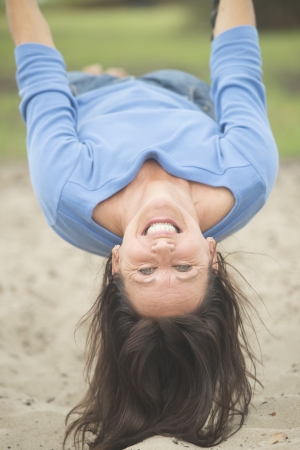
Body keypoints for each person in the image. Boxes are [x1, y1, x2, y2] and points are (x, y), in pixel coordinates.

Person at [6, 0, 278, 449]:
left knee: (81, 82)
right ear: (212, 253)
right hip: (186, 98)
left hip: (85, 102)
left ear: (115, 263)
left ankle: (106, 76)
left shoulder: (68, 189)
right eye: (185, 269)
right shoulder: (246, 174)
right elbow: (237, 64)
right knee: (201, 86)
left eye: (146, 272)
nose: (164, 252)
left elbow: (37, 66)